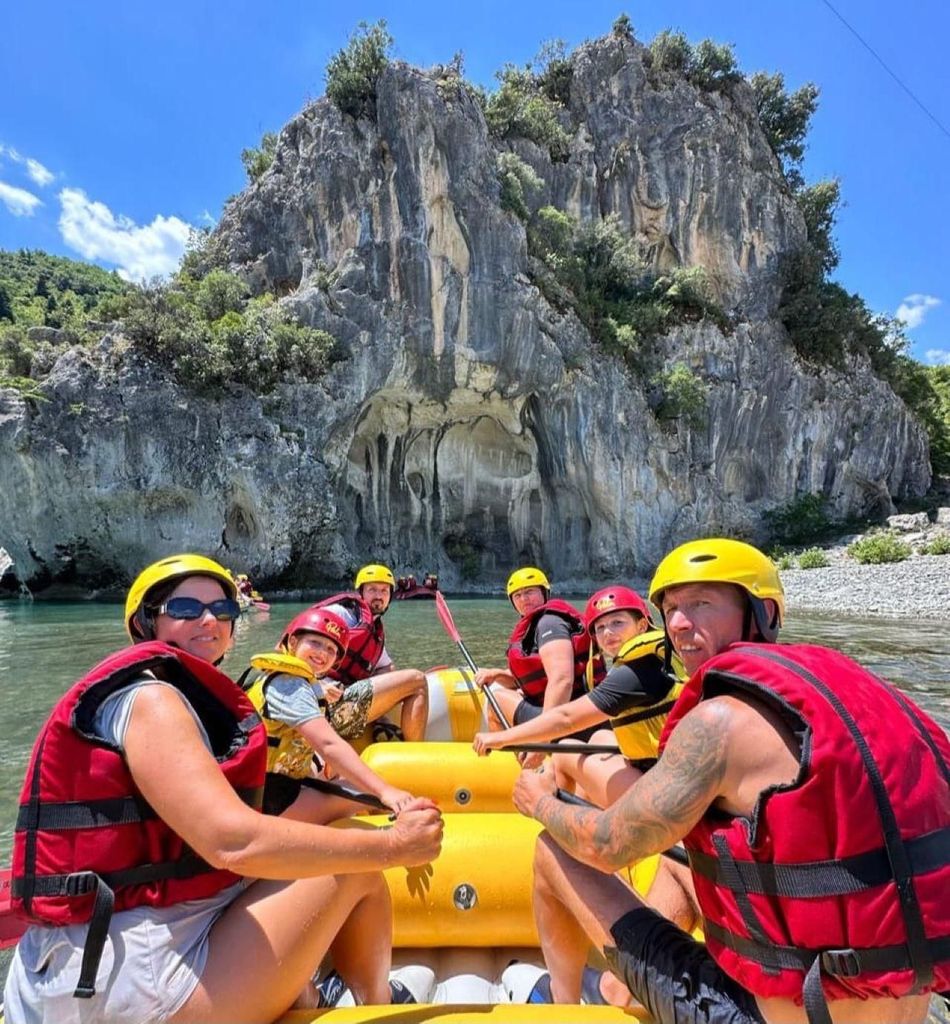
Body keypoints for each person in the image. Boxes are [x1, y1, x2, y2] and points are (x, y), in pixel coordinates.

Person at [512, 539, 950, 1023]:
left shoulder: (718, 722)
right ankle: (620, 989)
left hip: (769, 1016)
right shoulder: (866, 691)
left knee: (551, 850)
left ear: (761, 613)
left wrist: (541, 802)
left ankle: (561, 1005)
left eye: (702, 603)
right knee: (684, 859)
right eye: (672, 608)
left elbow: (607, 845)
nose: (679, 623)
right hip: (903, 1002)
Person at [5, 554, 443, 1024]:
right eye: (187, 608)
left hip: (99, 958)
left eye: (223, 611)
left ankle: (308, 995)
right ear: (146, 622)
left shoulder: (168, 696)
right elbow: (232, 840)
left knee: (296, 905)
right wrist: (392, 845)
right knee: (356, 869)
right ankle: (380, 1003)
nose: (210, 620)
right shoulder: (151, 699)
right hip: (128, 982)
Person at [473, 584, 683, 807]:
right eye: (600, 628)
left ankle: (558, 818)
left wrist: (500, 738)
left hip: (666, 795)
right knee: (599, 739)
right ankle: (586, 814)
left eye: (617, 623)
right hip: (664, 771)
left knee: (564, 754)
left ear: (642, 625)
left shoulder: (636, 672)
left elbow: (566, 718)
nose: (608, 633)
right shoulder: (658, 658)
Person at [241, 605, 415, 819]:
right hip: (267, 803)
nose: (323, 653)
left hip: (266, 787)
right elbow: (328, 745)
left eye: (331, 650)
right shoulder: (292, 686)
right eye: (315, 642)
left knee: (336, 775)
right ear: (293, 642)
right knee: (360, 792)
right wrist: (386, 791)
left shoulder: (286, 678)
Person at [474, 568, 604, 765]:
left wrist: (542, 741)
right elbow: (537, 677)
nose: (524, 599)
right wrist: (497, 674)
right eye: (517, 595)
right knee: (505, 690)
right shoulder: (545, 622)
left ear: (544, 593)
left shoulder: (548, 623)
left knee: (496, 700)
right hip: (582, 712)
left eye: (530, 592)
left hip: (574, 719)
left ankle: (509, 768)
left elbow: (562, 680)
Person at [315, 563, 429, 741]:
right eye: (372, 589)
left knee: (393, 674)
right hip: (325, 707)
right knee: (418, 680)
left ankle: (379, 720)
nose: (379, 596)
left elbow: (387, 668)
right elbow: (291, 649)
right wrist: (318, 687)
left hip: (345, 702)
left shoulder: (375, 633)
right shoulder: (340, 614)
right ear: (361, 592)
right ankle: (415, 752)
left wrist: (381, 702)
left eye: (384, 591)